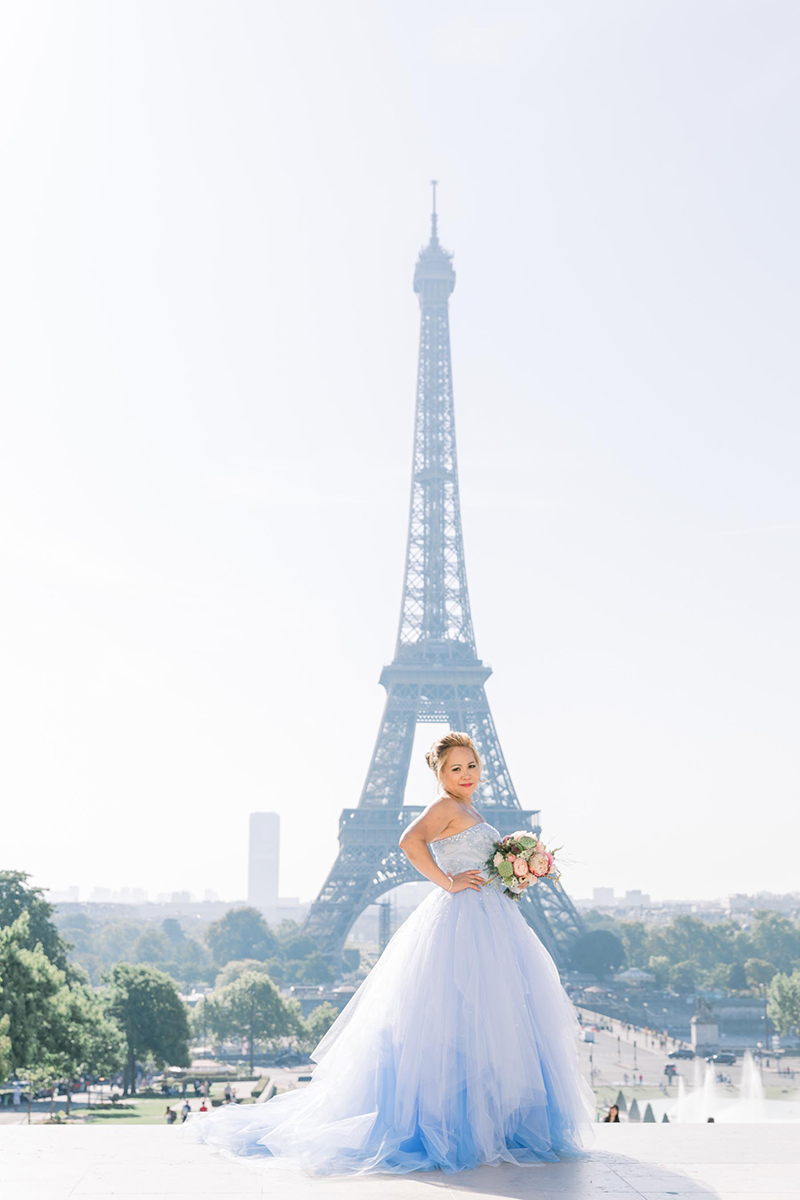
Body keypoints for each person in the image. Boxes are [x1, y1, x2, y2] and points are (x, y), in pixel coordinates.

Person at [186, 732, 595, 1174]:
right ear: (439, 774)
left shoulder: (469, 808)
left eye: (471, 766)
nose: (466, 774)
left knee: (488, 1020)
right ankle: (464, 1128)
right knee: (466, 1019)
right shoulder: (444, 806)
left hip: (490, 919)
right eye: (455, 769)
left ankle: (482, 1126)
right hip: (465, 920)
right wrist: (448, 881)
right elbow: (408, 842)